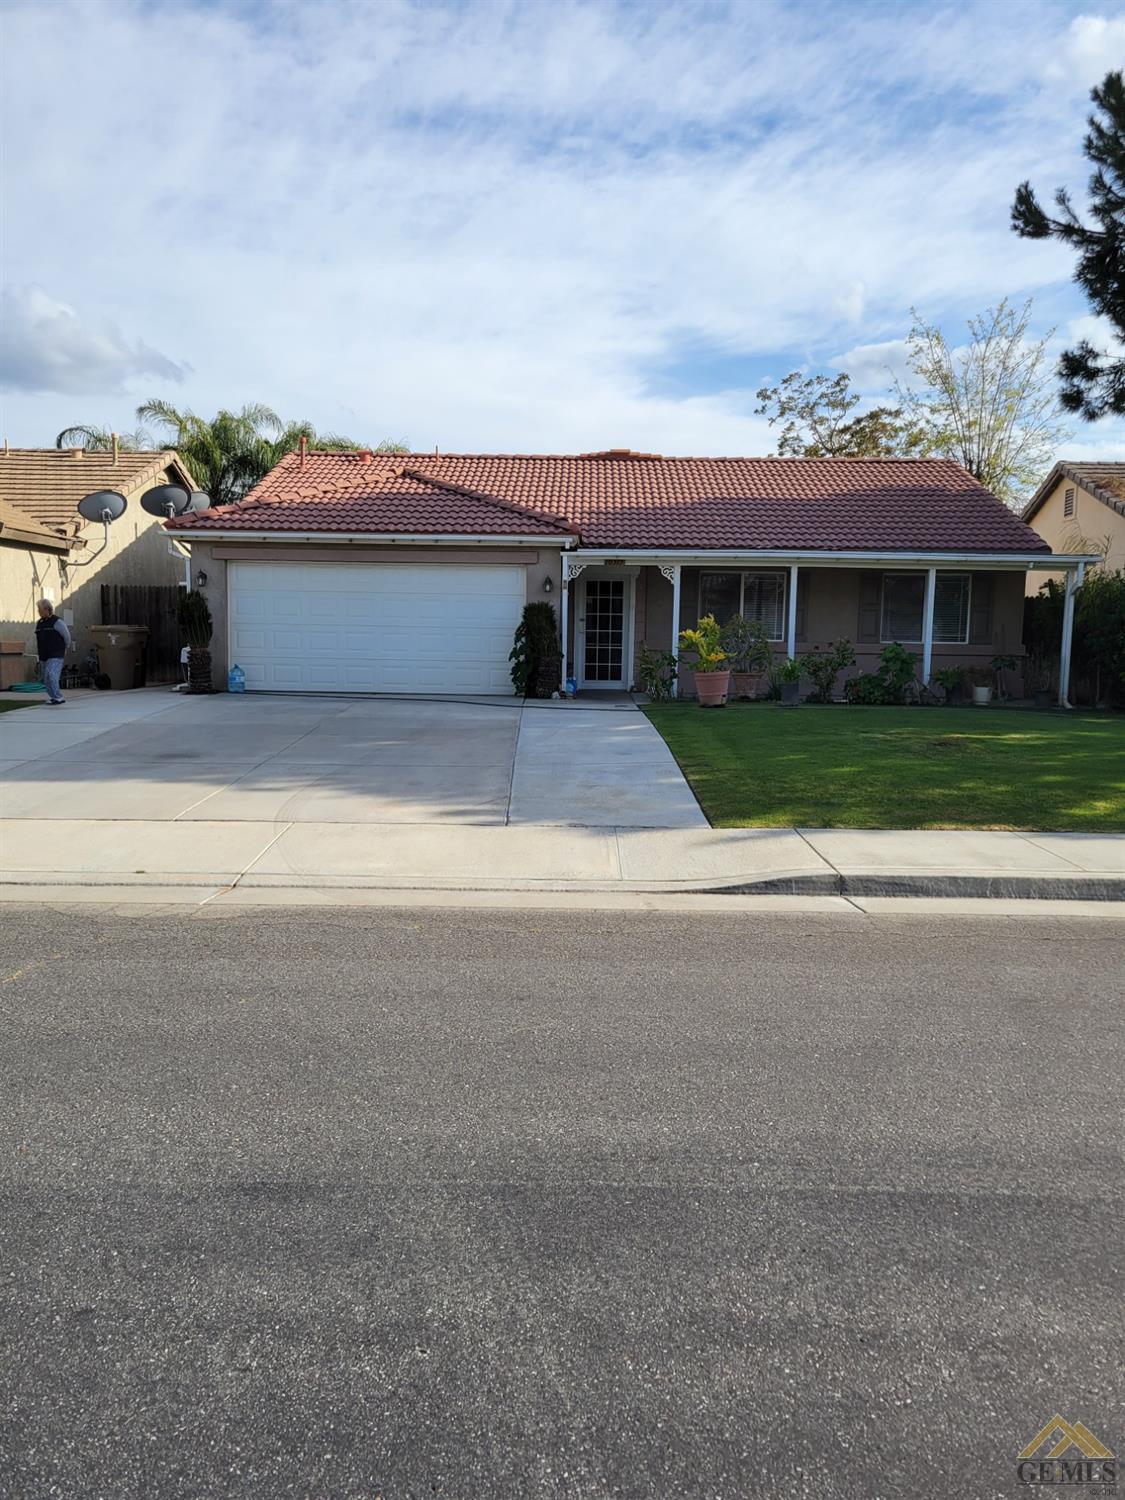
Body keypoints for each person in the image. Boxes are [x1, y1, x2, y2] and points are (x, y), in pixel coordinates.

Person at [35, 599, 71, 705]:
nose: (38, 612)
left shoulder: (57, 622)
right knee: (45, 677)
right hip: (44, 654)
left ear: (47, 609)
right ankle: (53, 697)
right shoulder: (40, 623)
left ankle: (59, 697)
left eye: (40, 609)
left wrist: (66, 648)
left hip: (56, 653)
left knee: (51, 674)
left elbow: (67, 636)